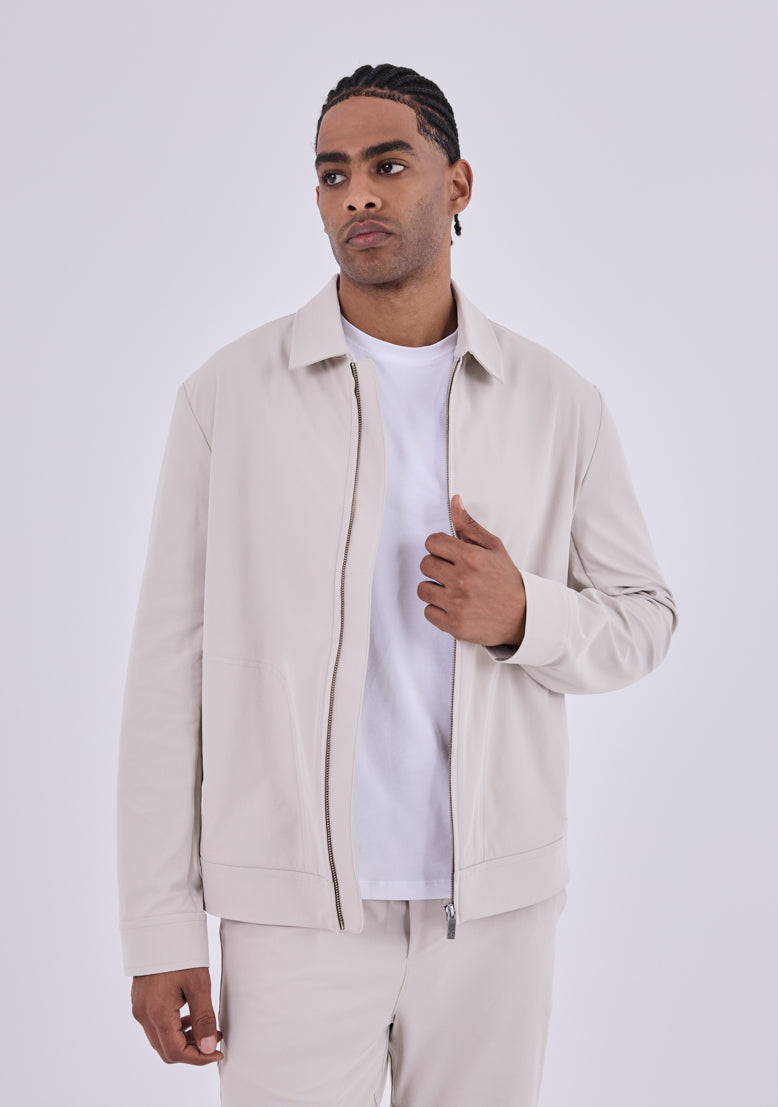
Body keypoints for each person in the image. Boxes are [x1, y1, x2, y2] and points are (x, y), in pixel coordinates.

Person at [117, 63, 678, 1107]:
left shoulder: (556, 402)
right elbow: (168, 670)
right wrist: (159, 927)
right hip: (291, 914)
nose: (357, 195)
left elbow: (645, 619)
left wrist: (526, 615)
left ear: (456, 185)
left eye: (387, 165)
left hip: (493, 915)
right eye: (332, 175)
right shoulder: (229, 399)